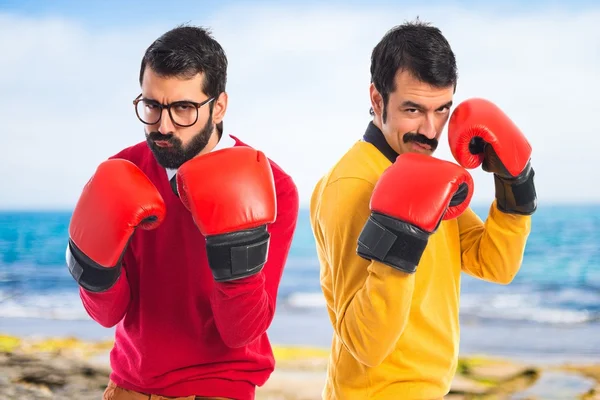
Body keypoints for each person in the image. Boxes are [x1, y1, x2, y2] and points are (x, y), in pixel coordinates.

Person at [65, 25, 299, 400]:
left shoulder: (274, 188)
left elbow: (241, 332)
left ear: (218, 106)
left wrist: (234, 246)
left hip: (221, 390)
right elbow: (107, 315)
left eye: (183, 108)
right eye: (151, 105)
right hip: (130, 387)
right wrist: (93, 269)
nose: (163, 125)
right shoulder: (124, 170)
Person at [309, 19, 537, 399]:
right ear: (378, 99)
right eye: (413, 110)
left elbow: (495, 264)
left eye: (442, 110)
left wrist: (515, 189)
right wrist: (397, 246)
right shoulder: (352, 186)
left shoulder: (425, 176)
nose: (431, 132)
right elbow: (364, 343)